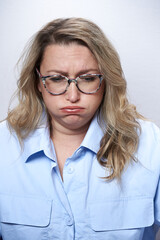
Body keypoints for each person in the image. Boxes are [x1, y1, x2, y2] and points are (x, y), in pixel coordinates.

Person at [0, 17, 160, 240]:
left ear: (106, 81)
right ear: (38, 82)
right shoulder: (3, 145)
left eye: (88, 79)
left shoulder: (152, 145)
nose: (72, 96)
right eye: (56, 79)